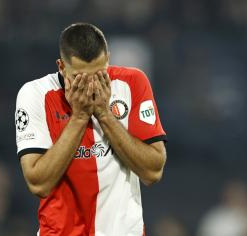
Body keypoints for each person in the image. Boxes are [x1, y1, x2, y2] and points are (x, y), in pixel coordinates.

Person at [15, 22, 167, 236]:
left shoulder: (132, 83)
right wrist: (79, 117)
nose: (91, 85)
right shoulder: (35, 94)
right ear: (61, 66)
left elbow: (153, 171)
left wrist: (104, 115)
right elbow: (39, 183)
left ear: (108, 60)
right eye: (79, 77)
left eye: (98, 74)